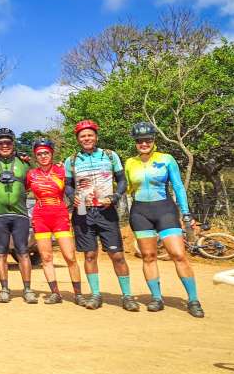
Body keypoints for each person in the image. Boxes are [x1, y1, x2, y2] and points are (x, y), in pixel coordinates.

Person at [124, 122, 203, 317]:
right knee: (148, 257)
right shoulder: (129, 162)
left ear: (154, 140)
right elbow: (125, 189)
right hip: (140, 212)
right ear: (135, 143)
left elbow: (178, 187)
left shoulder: (167, 159)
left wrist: (186, 213)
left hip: (165, 210)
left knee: (178, 254)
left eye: (148, 139)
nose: (144, 143)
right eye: (140, 141)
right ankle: (156, 298)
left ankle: (193, 300)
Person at [64, 120, 135, 311]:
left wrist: (115, 196)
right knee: (89, 255)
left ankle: (127, 296)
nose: (86, 138)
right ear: (78, 139)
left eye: (90, 135)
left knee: (117, 255)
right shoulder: (71, 160)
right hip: (83, 213)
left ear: (96, 136)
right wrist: (72, 197)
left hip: (106, 211)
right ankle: (95, 295)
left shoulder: (110, 156)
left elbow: (122, 181)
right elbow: (68, 185)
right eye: (82, 136)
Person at [0, 128, 34, 303]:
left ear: (13, 144)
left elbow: (33, 183)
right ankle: (4, 289)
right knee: (1, 253)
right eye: (0, 143)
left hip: (20, 215)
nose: (4, 145)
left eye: (8, 142)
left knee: (23, 252)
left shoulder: (23, 163)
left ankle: (27, 289)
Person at [26, 138, 83, 305]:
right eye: (39, 154)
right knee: (46, 257)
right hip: (40, 216)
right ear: (35, 156)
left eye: (46, 153)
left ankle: (78, 294)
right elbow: (19, 189)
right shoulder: (31, 174)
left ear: (51, 153)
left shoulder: (62, 170)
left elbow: (76, 185)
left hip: (60, 214)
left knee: (70, 256)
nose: (43, 156)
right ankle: (55, 293)